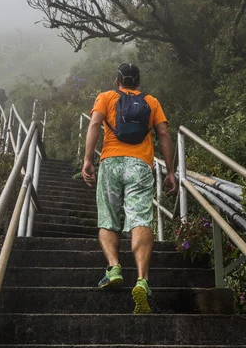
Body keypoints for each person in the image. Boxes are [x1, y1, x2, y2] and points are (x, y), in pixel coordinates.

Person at [82, 62, 176, 314]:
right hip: (140, 165)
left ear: (118, 81)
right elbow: (164, 134)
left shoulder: (106, 97)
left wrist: (88, 160)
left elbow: (93, 125)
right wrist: (170, 171)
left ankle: (114, 268)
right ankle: (142, 280)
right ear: (139, 82)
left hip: (111, 163)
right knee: (140, 221)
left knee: (108, 218)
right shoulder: (152, 102)